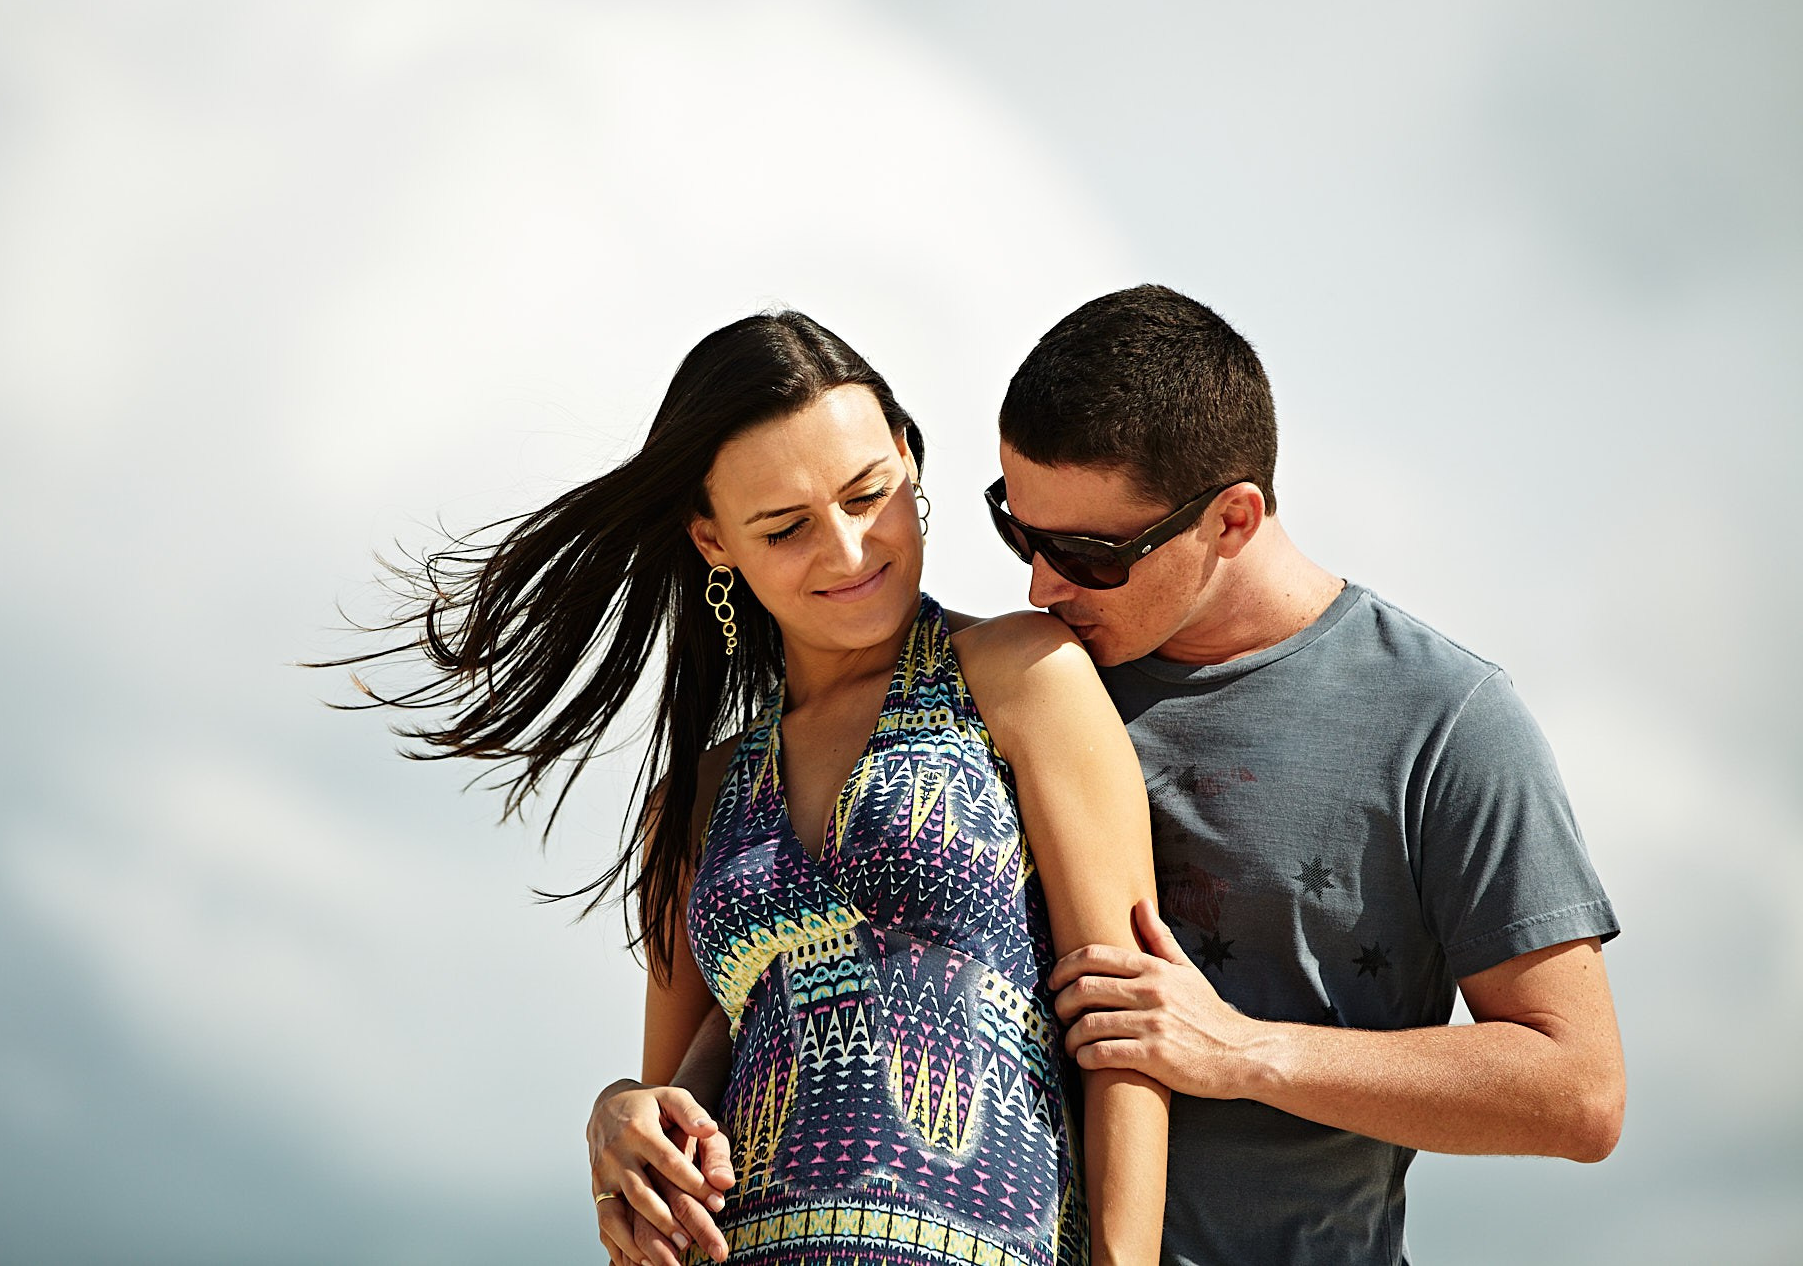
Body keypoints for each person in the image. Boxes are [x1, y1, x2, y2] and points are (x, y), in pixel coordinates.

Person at [594, 286, 1625, 1266]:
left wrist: (1243, 1049)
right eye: (1017, 529)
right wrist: (622, 1110)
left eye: (1086, 553)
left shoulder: (1437, 721)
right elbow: (827, 966)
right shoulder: (991, 683)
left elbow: (1577, 1091)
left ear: (1229, 520)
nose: (1038, 584)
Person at [340, 312, 1168, 1266]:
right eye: (786, 528)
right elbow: (671, 1140)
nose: (850, 551)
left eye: (870, 494)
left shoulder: (1024, 674)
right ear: (713, 540)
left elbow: (1131, 1031)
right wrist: (618, 1116)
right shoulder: (696, 799)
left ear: (908, 457)